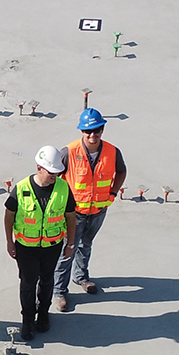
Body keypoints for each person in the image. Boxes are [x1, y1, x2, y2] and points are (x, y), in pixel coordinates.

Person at [55, 109, 126, 312]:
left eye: (96, 131)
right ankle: (60, 291)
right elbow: (54, 176)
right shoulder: (69, 152)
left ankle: (81, 277)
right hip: (73, 213)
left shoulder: (113, 152)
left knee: (86, 245)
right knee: (67, 250)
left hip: (98, 210)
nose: (92, 135)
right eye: (88, 131)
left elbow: (121, 171)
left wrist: (112, 193)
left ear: (102, 130)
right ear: (82, 131)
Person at [3, 147, 76, 341]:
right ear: (39, 168)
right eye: (51, 172)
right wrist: (9, 242)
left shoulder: (63, 188)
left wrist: (70, 244)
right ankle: (27, 319)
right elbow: (9, 216)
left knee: (46, 280)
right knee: (28, 283)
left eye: (57, 172)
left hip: (52, 246)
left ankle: (43, 313)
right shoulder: (21, 188)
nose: (55, 175)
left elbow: (70, 216)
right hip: (26, 247)